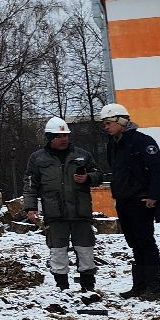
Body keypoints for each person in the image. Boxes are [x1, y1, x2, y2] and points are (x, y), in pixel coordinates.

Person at [99, 102, 160, 300]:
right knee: (134, 243)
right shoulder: (113, 144)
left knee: (145, 242)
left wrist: (154, 195)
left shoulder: (142, 141)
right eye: (103, 123)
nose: (105, 127)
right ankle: (139, 286)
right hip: (124, 200)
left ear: (121, 121)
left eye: (108, 122)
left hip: (140, 200)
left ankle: (153, 288)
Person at [22, 116, 99, 292]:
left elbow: (98, 175)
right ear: (50, 138)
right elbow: (30, 184)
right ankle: (61, 287)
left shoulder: (82, 155)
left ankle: (88, 286)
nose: (64, 139)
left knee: (85, 249)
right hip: (54, 213)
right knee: (57, 251)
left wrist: (88, 178)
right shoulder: (37, 159)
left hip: (81, 212)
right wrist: (30, 207)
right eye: (58, 136)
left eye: (66, 135)